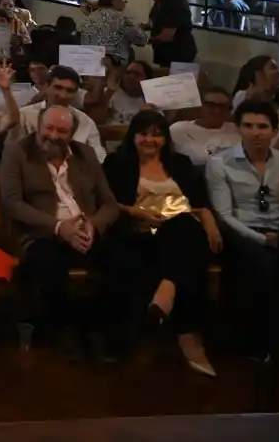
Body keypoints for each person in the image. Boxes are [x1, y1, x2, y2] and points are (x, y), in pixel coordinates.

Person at [102, 110, 219, 376]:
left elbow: (199, 205)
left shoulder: (180, 163)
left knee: (182, 225)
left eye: (157, 135)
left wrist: (210, 220)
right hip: (139, 231)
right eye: (144, 133)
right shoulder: (116, 163)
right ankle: (187, 333)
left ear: (166, 139)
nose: (150, 140)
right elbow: (105, 202)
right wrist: (136, 212)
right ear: (133, 136)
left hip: (182, 231)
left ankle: (167, 288)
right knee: (184, 236)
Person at [0, 105, 122, 358]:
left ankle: (103, 329)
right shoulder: (16, 152)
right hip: (43, 233)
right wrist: (59, 227)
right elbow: (12, 203)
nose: (54, 136)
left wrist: (94, 226)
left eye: (62, 131)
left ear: (72, 133)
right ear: (38, 126)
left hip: (86, 230)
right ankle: (68, 330)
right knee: (48, 264)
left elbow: (110, 203)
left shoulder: (85, 154)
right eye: (49, 128)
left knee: (124, 261)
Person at [204, 101, 279, 359]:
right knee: (266, 265)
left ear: (274, 131)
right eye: (249, 126)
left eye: (263, 126)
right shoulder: (220, 163)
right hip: (243, 231)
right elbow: (224, 216)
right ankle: (262, 342)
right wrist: (263, 240)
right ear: (238, 129)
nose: (256, 132)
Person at [169, 86, 239, 166]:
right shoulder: (179, 129)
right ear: (200, 106)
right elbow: (199, 159)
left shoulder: (236, 129)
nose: (217, 110)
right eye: (211, 105)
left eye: (222, 106)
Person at [138, 0, 198, 66]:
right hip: (166, 53)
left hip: (178, 54)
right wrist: (142, 27)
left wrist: (144, 40)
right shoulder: (161, 1)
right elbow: (157, 21)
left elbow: (167, 36)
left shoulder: (173, 3)